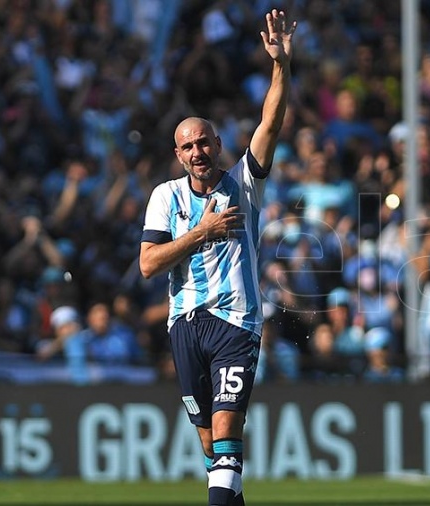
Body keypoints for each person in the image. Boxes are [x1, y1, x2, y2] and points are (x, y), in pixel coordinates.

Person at [138, 10, 294, 506]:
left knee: (227, 441)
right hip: (184, 324)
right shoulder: (165, 197)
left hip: (235, 323)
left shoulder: (244, 182)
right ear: (178, 155)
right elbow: (148, 263)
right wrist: (201, 233)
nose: (197, 151)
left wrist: (280, 67)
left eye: (203, 141)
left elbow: (271, 119)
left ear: (219, 144)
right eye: (187, 146)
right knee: (213, 454)